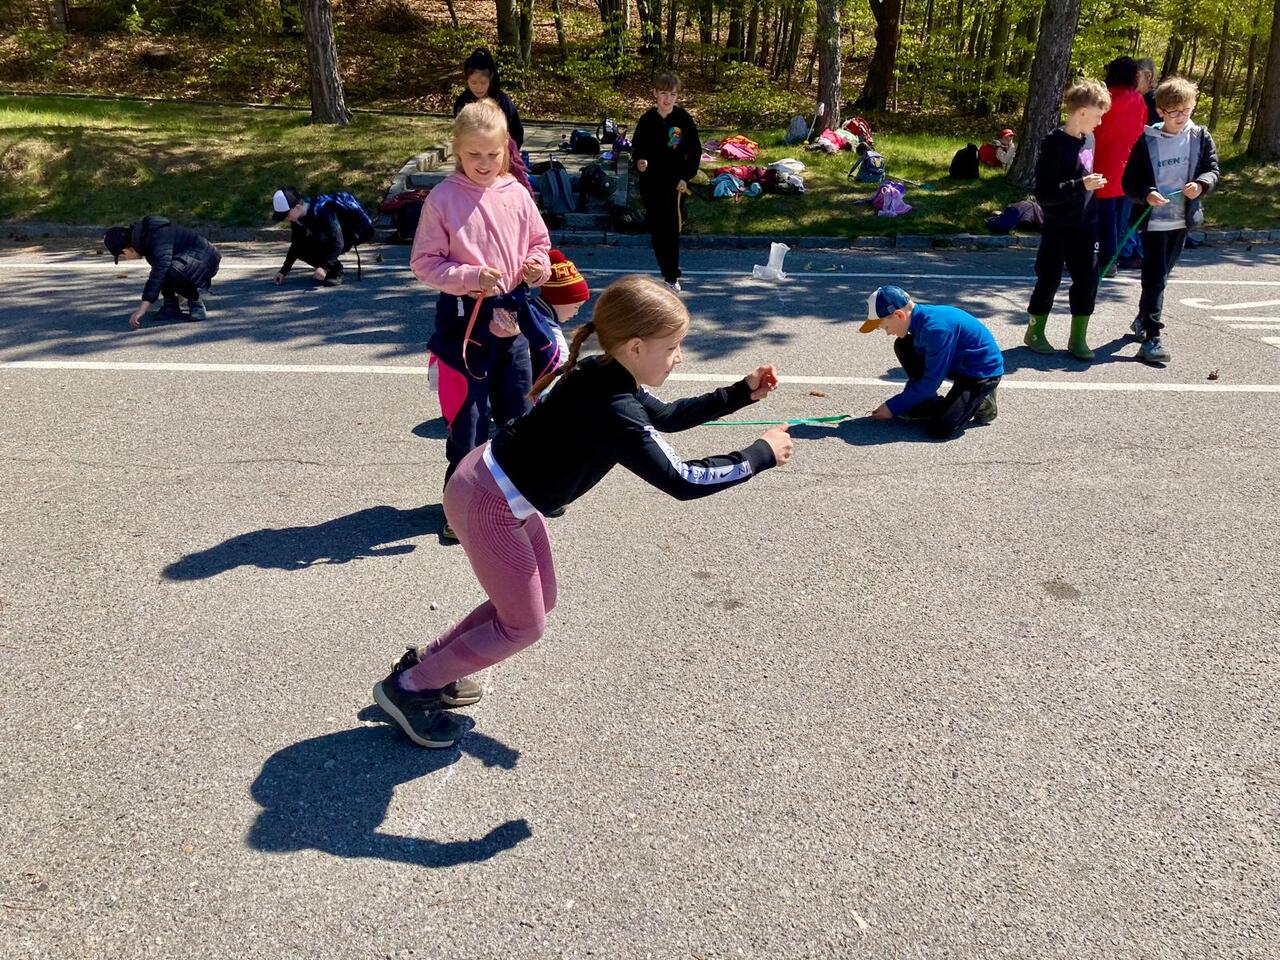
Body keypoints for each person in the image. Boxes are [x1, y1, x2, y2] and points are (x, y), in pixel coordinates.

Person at [372, 275, 793, 748]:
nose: (679, 357)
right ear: (636, 347)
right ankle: (409, 689)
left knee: (533, 604)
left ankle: (427, 665)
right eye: (673, 347)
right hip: (489, 502)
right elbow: (683, 480)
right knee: (523, 624)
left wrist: (742, 392)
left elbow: (669, 416)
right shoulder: (612, 405)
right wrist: (760, 454)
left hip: (495, 488)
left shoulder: (608, 371)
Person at [412, 99, 556, 542]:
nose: (484, 162)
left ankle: (521, 494)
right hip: (464, 327)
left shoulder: (516, 192)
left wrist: (536, 267)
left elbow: (540, 243)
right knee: (468, 422)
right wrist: (470, 276)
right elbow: (424, 263)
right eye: (474, 153)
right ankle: (460, 508)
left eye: (493, 153)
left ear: (506, 148)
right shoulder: (443, 198)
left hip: (513, 319)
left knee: (520, 413)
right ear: (456, 148)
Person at [1122, 76, 1220, 365]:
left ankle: (1143, 317)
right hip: (1153, 222)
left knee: (1161, 276)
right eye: (1174, 112)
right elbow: (1130, 182)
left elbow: (1212, 170)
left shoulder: (1200, 136)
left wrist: (1201, 184)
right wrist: (1147, 193)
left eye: (1186, 110)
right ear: (1161, 112)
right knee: (1154, 276)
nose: (1181, 117)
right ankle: (1152, 338)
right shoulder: (1147, 140)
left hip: (1181, 220)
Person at [1024, 79, 1111, 361]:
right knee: (1049, 277)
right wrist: (1080, 185)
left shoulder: (1090, 139)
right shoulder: (1053, 144)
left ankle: (1078, 338)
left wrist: (1089, 187)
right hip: (1058, 224)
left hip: (1087, 224)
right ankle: (1035, 331)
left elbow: (1084, 177)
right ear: (1082, 112)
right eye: (1098, 116)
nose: (1099, 122)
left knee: (1088, 280)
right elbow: (1045, 193)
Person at [862, 285, 1003, 440]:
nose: (888, 333)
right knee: (904, 345)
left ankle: (982, 402)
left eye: (886, 327)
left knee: (939, 429)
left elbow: (932, 380)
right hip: (957, 360)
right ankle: (928, 402)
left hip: (980, 373)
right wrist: (908, 399)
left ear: (899, 315)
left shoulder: (935, 329)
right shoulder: (918, 319)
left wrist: (894, 406)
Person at [631, 73, 702, 292]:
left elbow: (695, 151)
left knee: (671, 229)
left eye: (672, 94)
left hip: (674, 184)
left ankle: (671, 276)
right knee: (657, 231)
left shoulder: (683, 119)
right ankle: (666, 269)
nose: (667, 99)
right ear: (655, 93)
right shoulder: (647, 120)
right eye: (663, 93)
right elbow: (637, 148)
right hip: (651, 184)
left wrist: (685, 177)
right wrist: (640, 161)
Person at [103, 216, 221, 329]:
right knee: (162, 267)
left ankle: (195, 301)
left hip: (206, 260)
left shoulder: (156, 238)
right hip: (190, 260)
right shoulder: (145, 239)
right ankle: (171, 306)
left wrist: (142, 310)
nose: (125, 258)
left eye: (122, 256)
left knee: (168, 269)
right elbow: (159, 270)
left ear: (126, 250)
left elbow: (159, 272)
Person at [1094, 57, 1148, 277]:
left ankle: (1103, 260)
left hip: (1103, 161)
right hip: (1128, 164)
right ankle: (1112, 258)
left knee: (1102, 216)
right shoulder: (1139, 101)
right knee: (1119, 217)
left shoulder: (1104, 99)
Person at [271, 187, 375, 287]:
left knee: (320, 238)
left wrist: (324, 268)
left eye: (286, 215)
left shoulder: (323, 211)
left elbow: (338, 243)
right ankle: (332, 268)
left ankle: (336, 272)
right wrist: (283, 272)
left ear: (297, 207)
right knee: (300, 247)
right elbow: (296, 245)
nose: (285, 219)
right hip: (332, 238)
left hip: (351, 234)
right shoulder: (297, 218)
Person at [1119, 58, 1160, 268]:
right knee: (1133, 208)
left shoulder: (1154, 102)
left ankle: (1131, 250)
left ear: (1149, 76)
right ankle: (1133, 250)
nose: (1133, 81)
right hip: (1136, 163)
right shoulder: (1137, 100)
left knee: (1132, 208)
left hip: (1147, 166)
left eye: (1137, 76)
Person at [452, 47, 524, 149]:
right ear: (467, 80)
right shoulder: (462, 103)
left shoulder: (503, 101)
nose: (478, 87)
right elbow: (460, 134)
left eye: (483, 82)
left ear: (490, 78)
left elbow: (517, 131)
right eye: (473, 82)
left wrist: (509, 152)